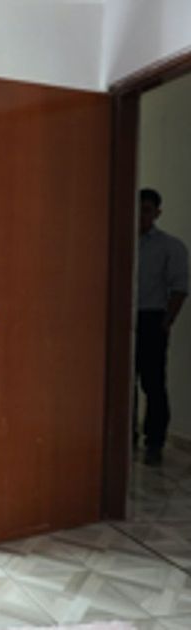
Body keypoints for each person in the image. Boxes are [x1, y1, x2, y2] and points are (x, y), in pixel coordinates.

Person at [134, 188, 188, 466]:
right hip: (123, 319)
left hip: (152, 318)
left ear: (157, 213)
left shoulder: (170, 246)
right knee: (122, 383)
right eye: (137, 210)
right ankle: (126, 437)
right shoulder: (119, 242)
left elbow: (179, 288)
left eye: (146, 210)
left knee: (153, 383)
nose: (140, 216)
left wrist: (167, 322)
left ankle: (154, 442)